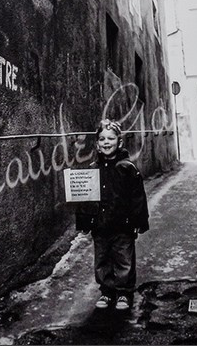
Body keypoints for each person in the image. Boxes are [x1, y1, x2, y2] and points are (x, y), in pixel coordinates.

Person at [76, 120, 149, 311]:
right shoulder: (93, 169)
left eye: (111, 138)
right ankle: (107, 292)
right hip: (100, 225)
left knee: (124, 258)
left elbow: (138, 197)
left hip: (123, 225)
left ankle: (124, 292)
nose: (106, 142)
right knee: (102, 259)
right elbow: (85, 198)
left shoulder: (127, 168)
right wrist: (85, 221)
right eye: (102, 139)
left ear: (119, 142)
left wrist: (139, 221)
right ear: (97, 144)